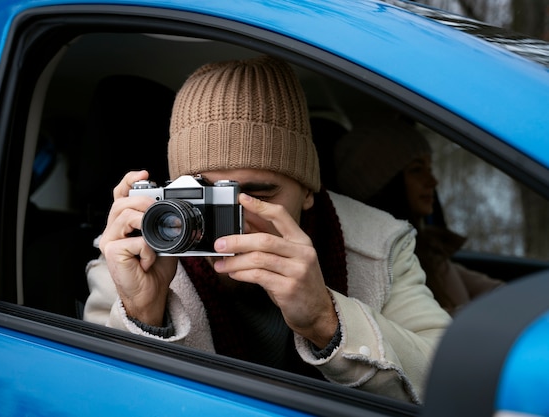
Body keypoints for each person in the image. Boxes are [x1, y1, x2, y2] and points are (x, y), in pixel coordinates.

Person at [83, 56, 451, 404]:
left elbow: (450, 382)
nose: (233, 219)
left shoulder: (378, 244)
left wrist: (327, 321)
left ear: (308, 190)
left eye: (258, 193)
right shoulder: (136, 250)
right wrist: (143, 315)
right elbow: (84, 396)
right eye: (207, 194)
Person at [334, 118, 504, 315]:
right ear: (385, 185)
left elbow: (495, 291)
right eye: (416, 170)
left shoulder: (426, 248)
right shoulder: (382, 263)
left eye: (430, 168)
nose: (432, 181)